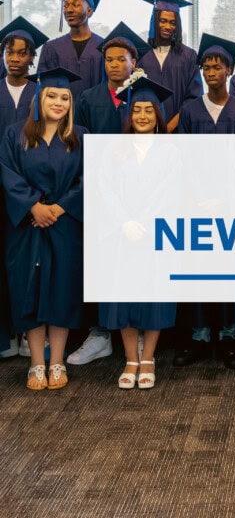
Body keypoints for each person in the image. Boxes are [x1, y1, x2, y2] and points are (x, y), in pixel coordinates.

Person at [67, 22, 150, 366]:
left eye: (122, 59)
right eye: (109, 60)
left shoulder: (144, 96)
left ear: (134, 62)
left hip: (142, 194)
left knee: (140, 262)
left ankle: (142, 329)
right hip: (104, 193)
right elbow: (82, 147)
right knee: (103, 263)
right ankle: (101, 334)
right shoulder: (89, 99)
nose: (114, 64)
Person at [0, 67, 86, 390]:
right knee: (29, 288)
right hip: (27, 225)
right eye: (52, 96)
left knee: (63, 288)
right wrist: (33, 205)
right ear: (40, 98)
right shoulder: (15, 135)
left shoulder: (80, 136)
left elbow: (88, 178)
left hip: (65, 224)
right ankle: (37, 363)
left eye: (65, 97)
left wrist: (61, 207)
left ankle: (58, 360)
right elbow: (7, 174)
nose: (59, 102)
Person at [98, 76, 177, 389]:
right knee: (124, 294)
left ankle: (149, 357)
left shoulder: (170, 150)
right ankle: (131, 357)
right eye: (137, 110)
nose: (142, 115)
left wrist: (143, 221)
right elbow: (105, 190)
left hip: (153, 233)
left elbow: (170, 190)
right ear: (128, 115)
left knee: (153, 294)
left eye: (149, 110)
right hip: (121, 235)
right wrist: (124, 222)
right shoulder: (114, 150)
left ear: (158, 114)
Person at [175, 33, 235, 369]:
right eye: (205, 67)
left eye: (217, 67)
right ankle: (200, 335)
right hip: (197, 204)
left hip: (232, 206)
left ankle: (229, 335)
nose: (210, 72)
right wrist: (199, 199)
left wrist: (226, 198)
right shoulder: (189, 111)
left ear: (229, 70)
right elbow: (183, 161)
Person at [0, 17, 49, 358]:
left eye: (22, 53)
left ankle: (30, 332)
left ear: (32, 57)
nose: (15, 58)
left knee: (31, 265)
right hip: (2, 186)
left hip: (32, 190)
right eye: (9, 51)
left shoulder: (41, 92)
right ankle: (7, 334)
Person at [137, 0, 202, 132]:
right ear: (155, 21)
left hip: (180, 131)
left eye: (172, 22)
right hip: (146, 131)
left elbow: (194, 98)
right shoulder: (142, 56)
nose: (168, 26)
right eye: (163, 21)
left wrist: (169, 127)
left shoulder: (189, 56)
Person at [37, 0, 104, 99]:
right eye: (65, 6)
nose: (69, 10)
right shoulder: (51, 48)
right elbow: (43, 88)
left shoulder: (103, 47)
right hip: (60, 113)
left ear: (89, 11)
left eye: (75, 5)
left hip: (96, 114)